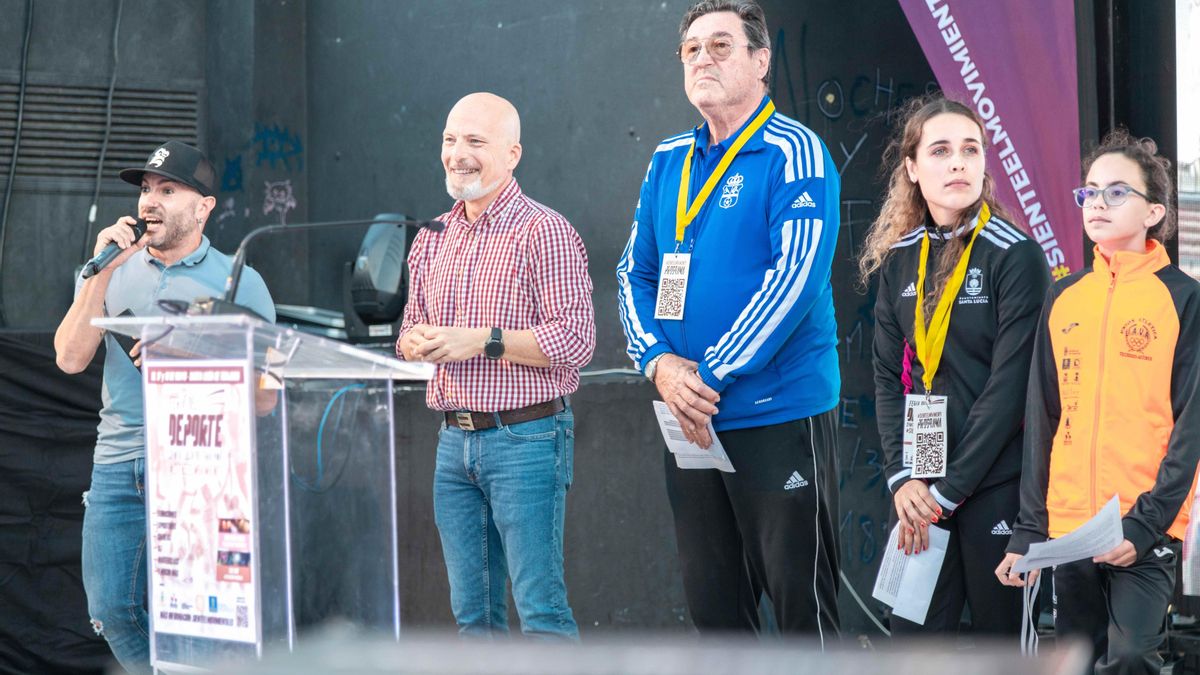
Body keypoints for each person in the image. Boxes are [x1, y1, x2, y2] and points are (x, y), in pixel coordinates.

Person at [615, 0, 841, 639]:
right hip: (688, 420)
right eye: (691, 49)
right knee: (714, 610)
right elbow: (635, 272)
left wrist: (705, 375)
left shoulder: (794, 152)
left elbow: (793, 280)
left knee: (803, 614)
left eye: (720, 45)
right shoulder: (667, 159)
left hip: (774, 414)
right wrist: (658, 363)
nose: (702, 58)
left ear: (761, 61)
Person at [53, 141, 275, 674]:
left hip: (201, 466)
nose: (151, 201)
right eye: (147, 190)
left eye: (168, 190)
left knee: (196, 623)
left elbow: (267, 397)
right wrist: (100, 273)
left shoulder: (238, 280)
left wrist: (194, 354)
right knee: (111, 608)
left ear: (203, 207)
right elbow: (69, 358)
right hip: (119, 461)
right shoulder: (106, 269)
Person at [997, 130, 1200, 674]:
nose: (1098, 204)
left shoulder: (1183, 298)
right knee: (1077, 659)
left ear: (1154, 210)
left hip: (1143, 527)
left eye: (1116, 192)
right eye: (1089, 192)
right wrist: (1031, 527)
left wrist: (1145, 526)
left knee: (1132, 657)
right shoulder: (1064, 297)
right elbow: (1041, 418)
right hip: (1069, 529)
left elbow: (1191, 428)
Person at [396, 92, 595, 640]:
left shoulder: (544, 231)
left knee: (542, 614)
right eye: (449, 139)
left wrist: (482, 341)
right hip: (451, 444)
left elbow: (576, 340)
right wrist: (415, 343)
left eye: (475, 142)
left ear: (512, 154)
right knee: (473, 621)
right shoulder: (432, 236)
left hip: (526, 438)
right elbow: (409, 329)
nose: (457, 153)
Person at [860, 95, 1049, 637]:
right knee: (912, 645)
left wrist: (947, 491)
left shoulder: (1014, 257)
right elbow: (888, 378)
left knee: (1002, 651)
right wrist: (904, 480)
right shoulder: (901, 257)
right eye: (940, 150)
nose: (959, 162)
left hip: (996, 486)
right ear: (913, 169)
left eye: (971, 149)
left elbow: (1009, 391)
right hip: (923, 486)